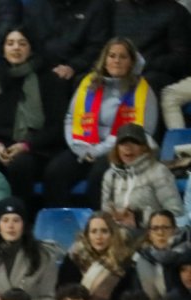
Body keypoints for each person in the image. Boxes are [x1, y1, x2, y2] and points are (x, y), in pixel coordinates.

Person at [45, 37, 157, 209]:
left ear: (131, 62)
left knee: (99, 175)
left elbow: (143, 131)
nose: (116, 61)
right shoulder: (89, 82)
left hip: (121, 151)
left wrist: (97, 151)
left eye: (123, 56)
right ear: (104, 60)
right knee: (55, 172)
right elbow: (70, 118)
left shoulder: (142, 90)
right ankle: (63, 226)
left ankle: (98, 228)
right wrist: (78, 147)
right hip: (85, 147)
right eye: (112, 56)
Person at [0, 27, 69, 206]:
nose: (16, 48)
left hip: (37, 148)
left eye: (22, 44)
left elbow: (56, 126)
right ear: (3, 48)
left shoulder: (48, 79)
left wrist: (26, 145)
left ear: (31, 48)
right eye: (10, 43)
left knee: (20, 164)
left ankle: (20, 219)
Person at [58, 211, 137, 300]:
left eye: (104, 231)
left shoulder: (123, 263)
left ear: (113, 234)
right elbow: (63, 292)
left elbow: (126, 298)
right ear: (87, 235)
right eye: (93, 231)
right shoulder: (74, 258)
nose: (98, 237)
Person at [101, 123, 184, 228]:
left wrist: (138, 218)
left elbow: (176, 213)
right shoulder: (110, 175)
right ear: (116, 148)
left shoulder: (159, 172)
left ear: (144, 147)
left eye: (134, 142)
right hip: (118, 236)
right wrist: (113, 217)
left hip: (150, 234)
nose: (128, 147)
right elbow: (105, 212)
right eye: (123, 143)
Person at [111, 0, 191, 95]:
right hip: (119, 70)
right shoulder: (117, 9)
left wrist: (146, 63)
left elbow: (183, 58)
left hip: (155, 74)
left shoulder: (175, 12)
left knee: (145, 83)